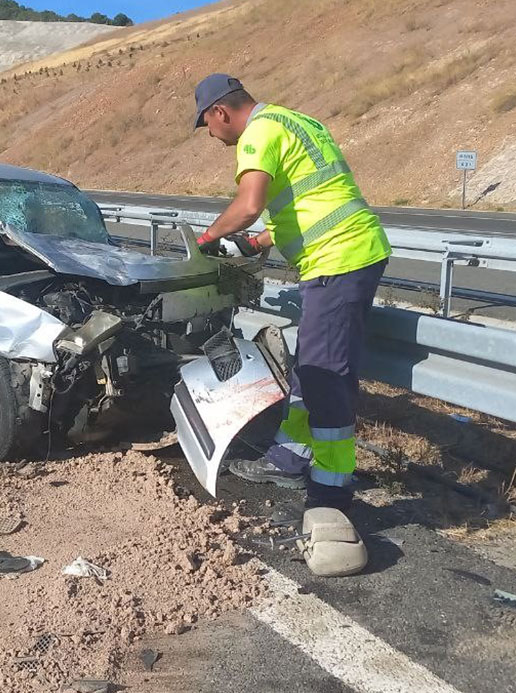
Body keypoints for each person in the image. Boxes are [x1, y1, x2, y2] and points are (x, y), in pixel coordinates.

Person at [190, 74, 391, 571]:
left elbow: (249, 205)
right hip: (350, 251)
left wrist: (207, 239)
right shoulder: (295, 121)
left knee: (327, 377)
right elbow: (301, 205)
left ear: (220, 113)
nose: (212, 136)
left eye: (207, 125)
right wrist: (258, 242)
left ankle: (332, 489)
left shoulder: (257, 134)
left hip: (338, 260)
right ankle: (289, 457)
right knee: (311, 364)